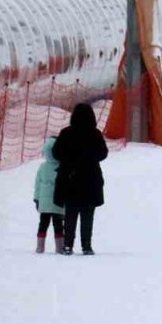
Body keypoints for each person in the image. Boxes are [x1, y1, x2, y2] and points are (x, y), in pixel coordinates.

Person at [52, 103, 108, 256]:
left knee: (70, 214)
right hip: (90, 180)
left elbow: (56, 152)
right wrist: (88, 158)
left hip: (70, 179)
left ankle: (68, 245)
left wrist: (70, 160)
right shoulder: (95, 134)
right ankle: (86, 245)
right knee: (88, 215)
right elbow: (103, 153)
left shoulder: (66, 133)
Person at [33, 136, 65, 254]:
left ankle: (40, 247)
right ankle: (60, 248)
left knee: (43, 224)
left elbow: (38, 184)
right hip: (58, 202)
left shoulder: (42, 167)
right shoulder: (62, 166)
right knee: (58, 225)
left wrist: (36, 199)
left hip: (44, 203)